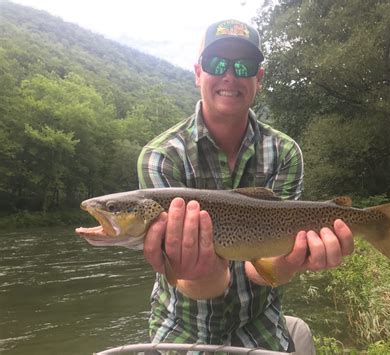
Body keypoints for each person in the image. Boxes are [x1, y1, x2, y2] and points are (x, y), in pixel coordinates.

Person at [137, 19, 354, 354]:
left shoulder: (284, 153)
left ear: (259, 79)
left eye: (244, 65)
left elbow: (262, 267)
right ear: (198, 73)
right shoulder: (161, 158)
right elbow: (195, 282)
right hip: (181, 323)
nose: (230, 75)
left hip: (259, 320)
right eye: (216, 63)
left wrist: (292, 260)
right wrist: (202, 269)